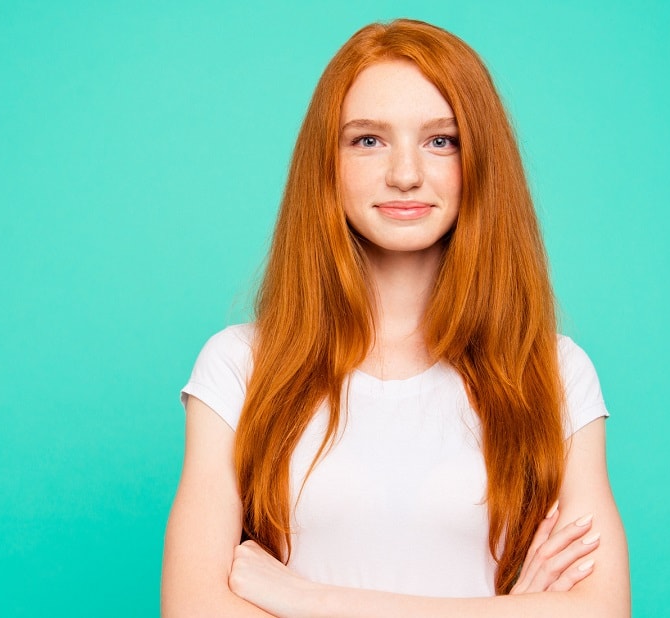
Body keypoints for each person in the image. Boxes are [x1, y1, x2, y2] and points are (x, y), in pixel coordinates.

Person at [162, 18, 630, 617]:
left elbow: (603, 610)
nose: (405, 173)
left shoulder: (553, 372)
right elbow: (193, 610)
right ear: (326, 164)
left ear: (479, 158)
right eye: (368, 140)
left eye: (442, 140)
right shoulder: (238, 367)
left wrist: (311, 600)